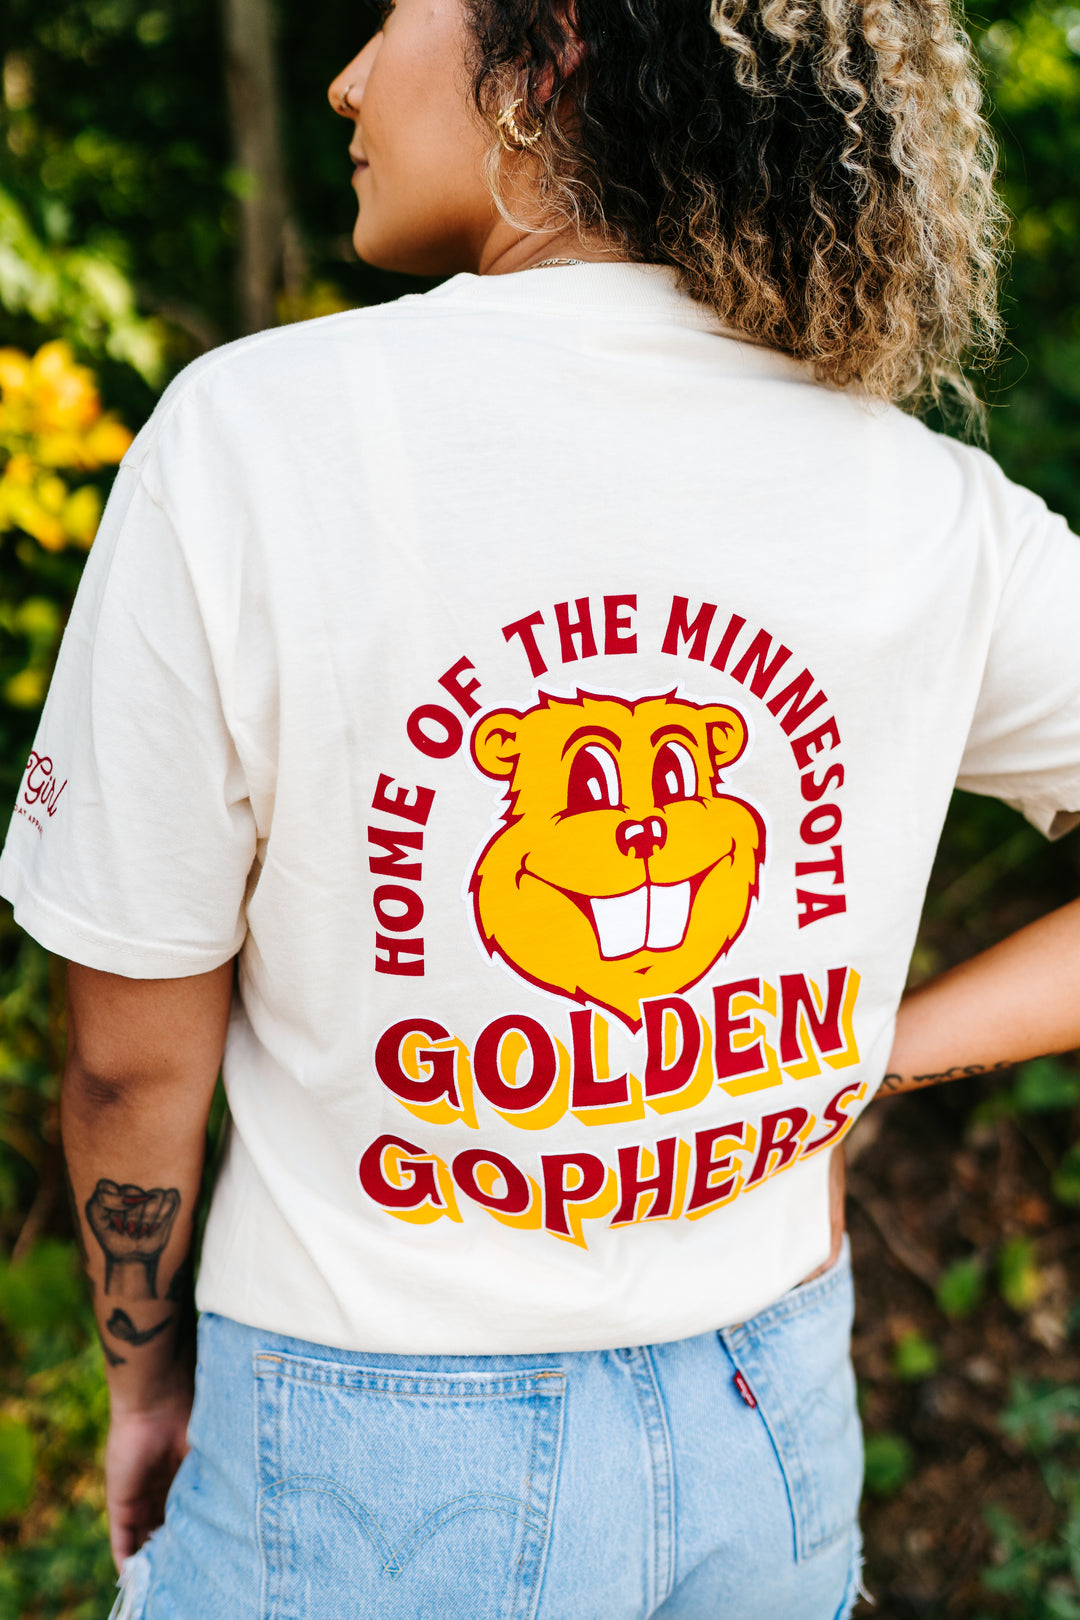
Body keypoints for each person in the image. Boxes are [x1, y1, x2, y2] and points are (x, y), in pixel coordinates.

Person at [3, 0, 1079, 1614]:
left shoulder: (252, 441)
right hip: (766, 1422)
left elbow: (124, 1052)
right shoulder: (915, 496)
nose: (349, 76)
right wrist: (871, 1060)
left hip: (356, 1434)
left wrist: (146, 1383)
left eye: (390, 15)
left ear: (555, 41)